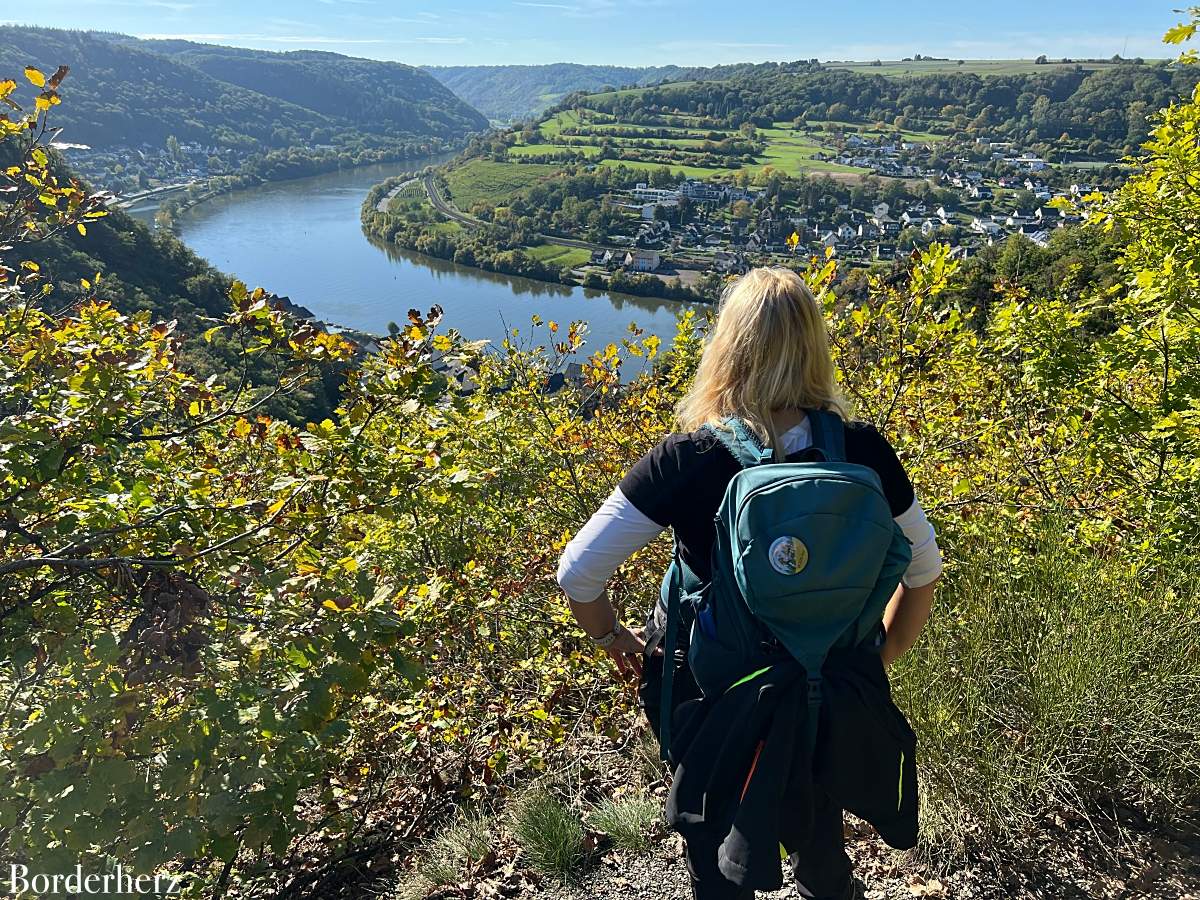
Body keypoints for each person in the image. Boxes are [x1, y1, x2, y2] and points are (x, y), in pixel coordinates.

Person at [556, 266, 943, 900]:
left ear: (726, 348)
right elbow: (923, 569)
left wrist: (614, 639)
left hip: (720, 695)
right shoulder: (863, 451)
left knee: (713, 848)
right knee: (821, 831)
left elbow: (578, 571)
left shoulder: (688, 458)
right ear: (815, 347)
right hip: (827, 688)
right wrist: (881, 651)